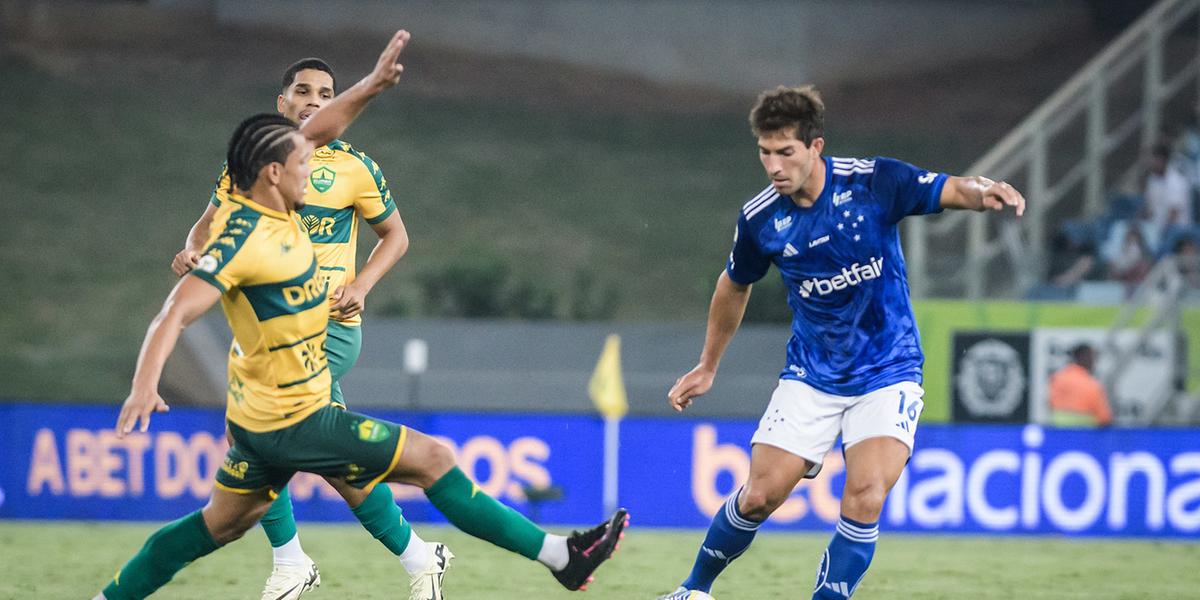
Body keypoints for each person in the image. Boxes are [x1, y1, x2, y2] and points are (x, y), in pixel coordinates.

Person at [94, 30, 627, 600]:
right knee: (433, 457)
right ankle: (557, 556)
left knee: (215, 526)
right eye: (301, 164)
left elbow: (320, 133)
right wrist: (144, 385)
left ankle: (127, 594)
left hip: (257, 421)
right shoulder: (247, 238)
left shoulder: (273, 208)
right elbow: (174, 313)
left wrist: (371, 86)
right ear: (274, 172)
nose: (313, 171)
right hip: (294, 419)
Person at [659, 85, 1025, 600]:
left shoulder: (874, 182)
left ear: (816, 147)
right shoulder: (761, 219)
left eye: (785, 152)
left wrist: (984, 192)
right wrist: (707, 365)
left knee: (866, 495)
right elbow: (733, 285)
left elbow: (950, 187)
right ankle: (693, 590)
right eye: (765, 152)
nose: (774, 166)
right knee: (759, 496)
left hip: (888, 370)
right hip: (812, 375)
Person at [170, 56, 411, 600]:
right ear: (283, 102)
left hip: (329, 326)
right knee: (326, 453)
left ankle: (291, 563)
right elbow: (205, 227)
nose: (313, 100)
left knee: (256, 434)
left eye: (325, 92)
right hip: (266, 328)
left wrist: (362, 285)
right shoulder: (254, 168)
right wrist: (191, 251)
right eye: (302, 91)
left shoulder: (356, 168)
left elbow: (396, 236)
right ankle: (418, 555)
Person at [1048, 344, 1113, 427]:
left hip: (1058, 434)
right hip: (1086, 436)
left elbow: (1051, 404)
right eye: (1092, 357)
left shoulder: (1057, 379)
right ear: (1083, 357)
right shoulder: (1091, 384)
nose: (1094, 362)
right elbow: (1105, 418)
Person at [1143, 143, 1193, 235]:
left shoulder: (1177, 181)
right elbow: (1149, 210)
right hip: (1156, 228)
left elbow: (1174, 215)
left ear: (1161, 160)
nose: (1149, 162)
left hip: (1176, 232)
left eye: (1152, 159)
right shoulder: (1152, 179)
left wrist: (1161, 234)